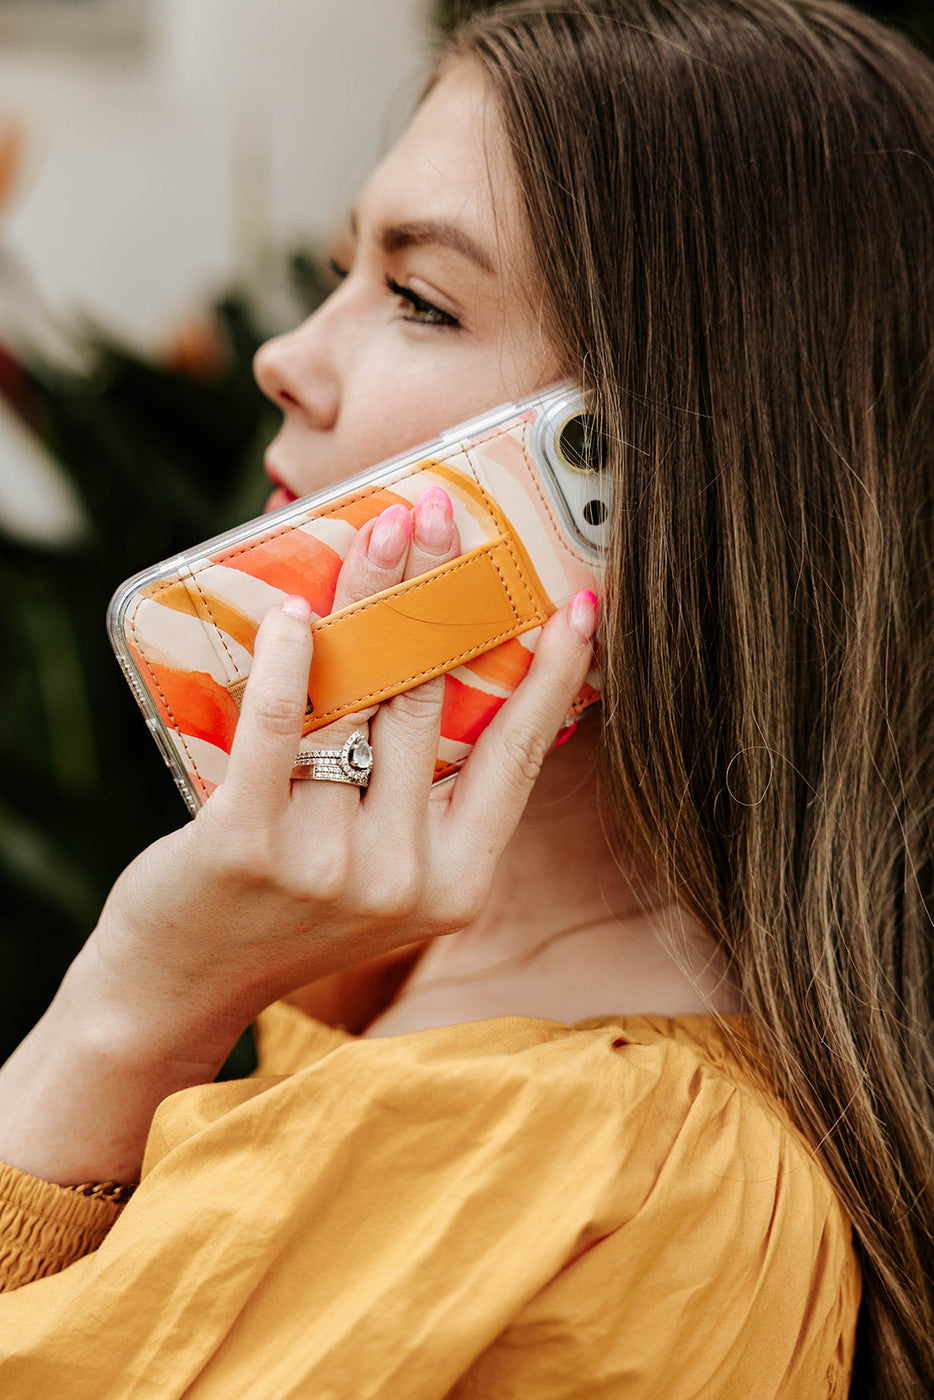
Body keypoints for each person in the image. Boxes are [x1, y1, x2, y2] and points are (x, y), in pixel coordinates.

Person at [0, 0, 931, 1395]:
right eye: (339, 269)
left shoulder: (551, 1150)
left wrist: (127, 1006)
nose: (284, 356)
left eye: (420, 297)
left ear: (652, 488)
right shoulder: (422, 971)